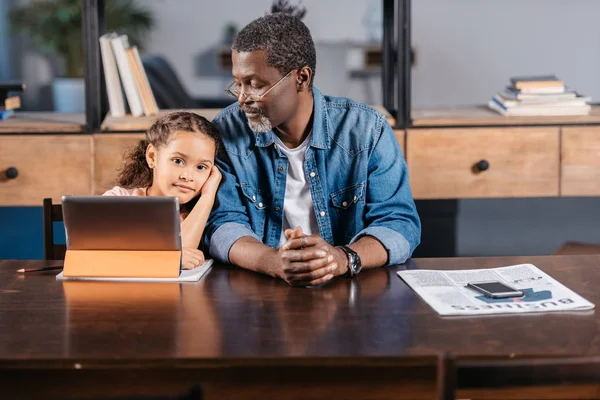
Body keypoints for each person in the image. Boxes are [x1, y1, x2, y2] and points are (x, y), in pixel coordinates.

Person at [206, 12, 420, 287]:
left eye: (255, 85)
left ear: (302, 78)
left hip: (349, 291)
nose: (242, 99)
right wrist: (273, 261)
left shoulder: (367, 130)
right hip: (261, 289)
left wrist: (341, 259)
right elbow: (222, 224)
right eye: (238, 84)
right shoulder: (226, 130)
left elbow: (400, 224)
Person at [104, 111, 222, 270]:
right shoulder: (117, 200)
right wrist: (167, 259)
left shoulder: (198, 216)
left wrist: (208, 195)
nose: (188, 176)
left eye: (201, 167)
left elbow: (183, 254)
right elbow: (100, 254)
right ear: (152, 157)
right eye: (178, 161)